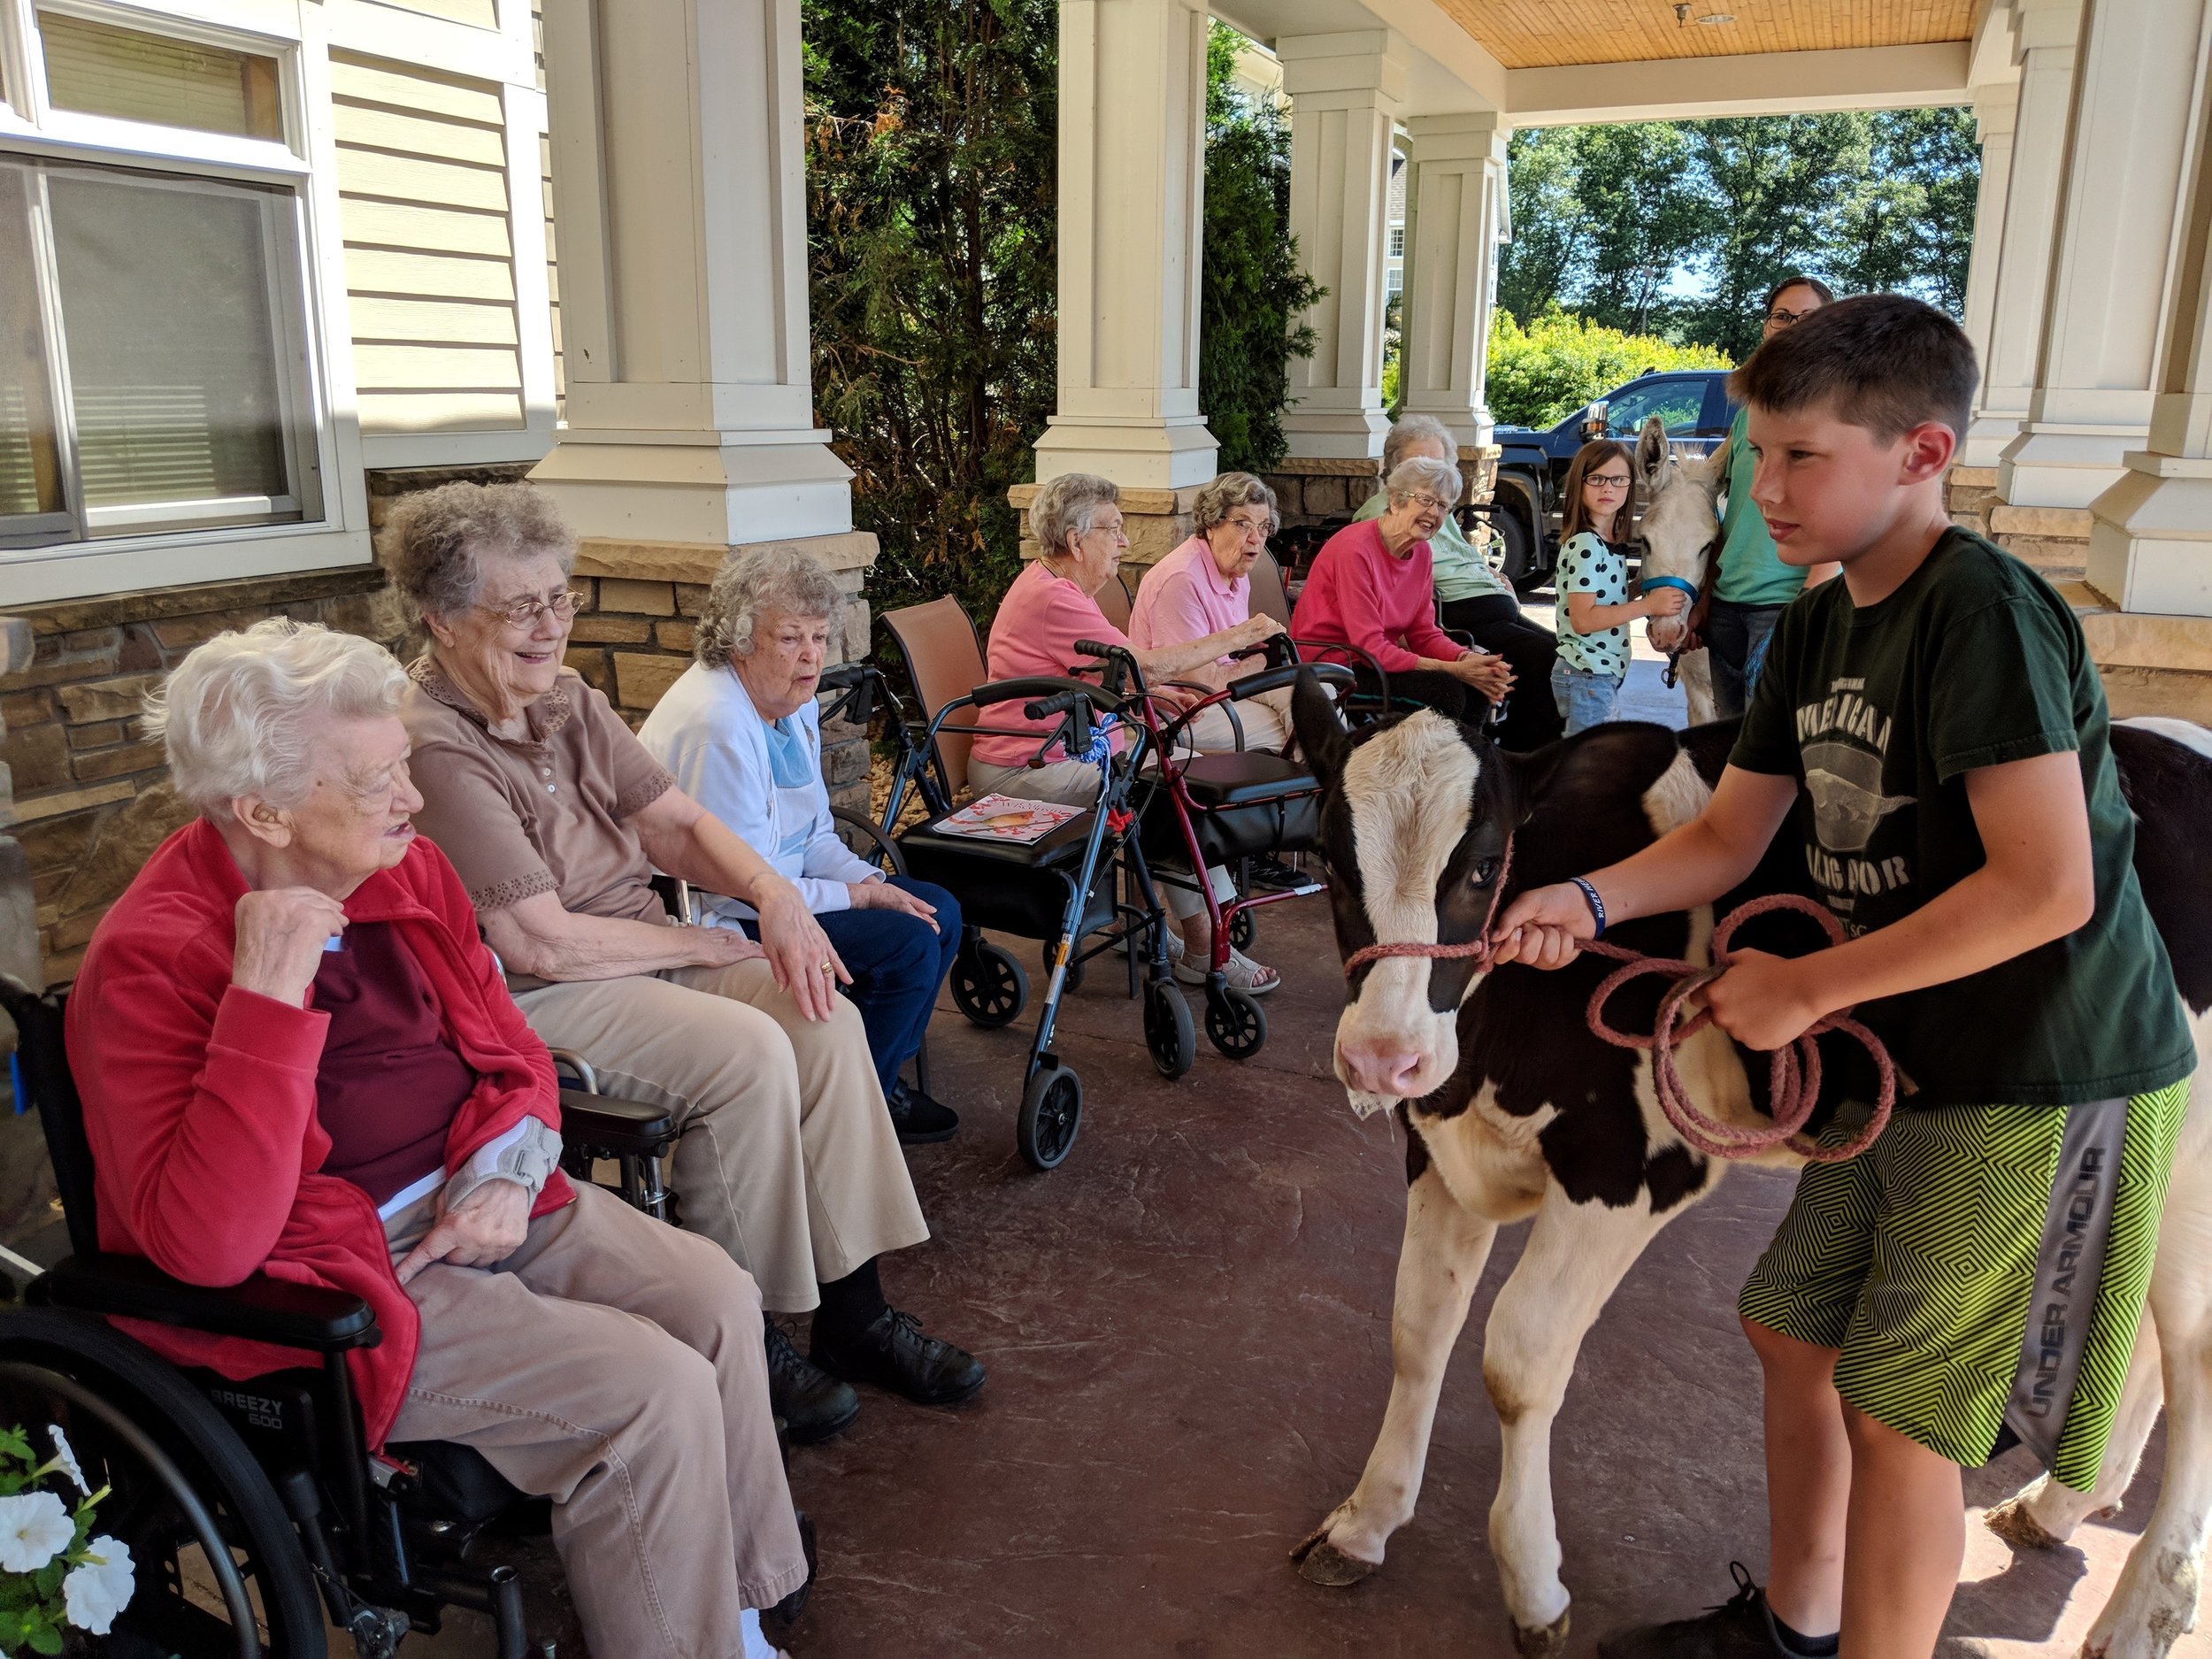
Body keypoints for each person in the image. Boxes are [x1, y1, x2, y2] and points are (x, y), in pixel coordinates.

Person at [1491, 296, 2196, 1659]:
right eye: (1758, 458)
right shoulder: (1822, 624)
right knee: (1789, 1330)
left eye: (1801, 458)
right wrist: (1580, 899)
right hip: (1912, 1049)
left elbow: (2048, 884)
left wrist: (1807, 990)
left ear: (1923, 452)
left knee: (1900, 1405)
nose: (1767, 489)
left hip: (2032, 1061)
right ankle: (1799, 1627)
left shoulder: (1979, 610)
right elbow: (1731, 832)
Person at [68, 620, 809, 1659]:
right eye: (377, 780)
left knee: (717, 1300)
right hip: (339, 1271)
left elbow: (517, 1058)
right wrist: (268, 998)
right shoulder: (152, 959)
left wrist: (506, 1175)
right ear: (262, 810)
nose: (414, 801)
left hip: (482, 1194)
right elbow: (208, 1247)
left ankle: (732, 1609)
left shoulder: (405, 873)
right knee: (653, 1390)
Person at [383, 481, 982, 1447]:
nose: (549, 627)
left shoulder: (569, 700)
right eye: (519, 606)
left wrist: (777, 898)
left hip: (638, 950)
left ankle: (855, 1316)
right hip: (546, 996)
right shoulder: (436, 746)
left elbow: (673, 824)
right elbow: (539, 939)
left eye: (559, 598)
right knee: (746, 1050)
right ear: (442, 618)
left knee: (818, 1008)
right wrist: (710, 939)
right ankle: (742, 1332)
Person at [639, 547, 963, 1145]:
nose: (812, 655)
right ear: (740, 642)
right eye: (790, 637)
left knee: (939, 909)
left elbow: (813, 833)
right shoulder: (718, 722)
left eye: (818, 635)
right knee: (908, 946)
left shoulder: (794, 704)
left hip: (787, 893)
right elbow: (743, 886)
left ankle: (874, 1075)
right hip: (729, 916)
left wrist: (867, 883)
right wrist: (860, 901)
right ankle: (848, 1123)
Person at [969, 472, 1285, 995]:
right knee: (1163, 794)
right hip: (1026, 770)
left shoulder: (1058, 587)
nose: (1125, 541)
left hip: (1066, 754)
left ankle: (1166, 924)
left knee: (1167, 775)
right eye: (1113, 529)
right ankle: (1207, 948)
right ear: (1076, 540)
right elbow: (1147, 666)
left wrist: (1150, 695)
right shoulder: (1055, 599)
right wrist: (1243, 635)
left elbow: (1111, 675)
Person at [1351, 415, 1561, 749]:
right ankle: (1518, 761)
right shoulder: (1386, 513)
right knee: (1544, 656)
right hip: (1456, 613)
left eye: (1437, 464)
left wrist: (1495, 577)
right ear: (1395, 468)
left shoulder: (1438, 510)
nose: (1430, 474)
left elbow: (1460, 556)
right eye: (1418, 463)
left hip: (1489, 607)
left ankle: (1532, 755)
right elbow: (1393, 590)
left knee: (1566, 653)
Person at [1290, 456, 1514, 723]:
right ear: (1396, 501)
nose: (1434, 513)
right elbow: (1370, 647)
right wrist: (1455, 669)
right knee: (1447, 692)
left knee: (1476, 689)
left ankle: (1461, 765)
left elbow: (1424, 635)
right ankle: (1431, 764)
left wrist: (1467, 658)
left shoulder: (1421, 554)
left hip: (1377, 660)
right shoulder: (1355, 551)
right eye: (1425, 500)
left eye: (1443, 506)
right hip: (1334, 665)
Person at [1705, 274, 1839, 716]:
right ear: (1766, 327)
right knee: (1723, 743)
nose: (1792, 325)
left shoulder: (1836, 409)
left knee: (1769, 752)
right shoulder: (1751, 411)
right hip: (1728, 604)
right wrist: (1703, 597)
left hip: (1782, 605)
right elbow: (1735, 508)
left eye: (1807, 317)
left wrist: (1808, 610)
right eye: (1782, 316)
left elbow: (1839, 511)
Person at [1128, 472, 1297, 754]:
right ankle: (1316, 794)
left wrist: (1261, 657)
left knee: (1319, 698)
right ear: (1210, 525)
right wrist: (1262, 662)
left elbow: (1229, 659)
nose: (1256, 539)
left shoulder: (1235, 570)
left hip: (1225, 693)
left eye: (1264, 527)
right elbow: (1201, 686)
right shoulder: (1181, 580)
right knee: (1301, 727)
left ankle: (1319, 792)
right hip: (1181, 711)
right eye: (1243, 524)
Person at [1551, 439, 1686, 733]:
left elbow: (1606, 599)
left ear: (1629, 486)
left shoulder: (1607, 543)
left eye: (1618, 479)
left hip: (1598, 673)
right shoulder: (1586, 545)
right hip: (1587, 673)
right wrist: (1647, 606)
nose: (1608, 488)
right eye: (1597, 479)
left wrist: (1639, 588)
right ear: (1579, 484)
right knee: (1588, 763)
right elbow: (1584, 619)